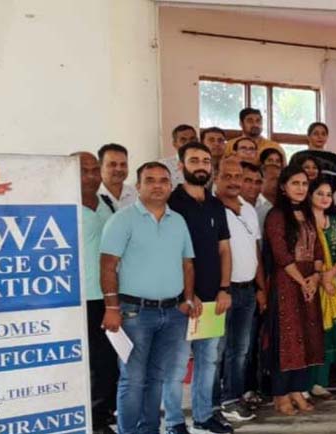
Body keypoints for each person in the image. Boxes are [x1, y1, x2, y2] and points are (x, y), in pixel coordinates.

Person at [100, 162, 196, 434]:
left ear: (170, 186)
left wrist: (188, 299)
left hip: (173, 312)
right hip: (134, 313)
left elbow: (187, 264)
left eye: (163, 180)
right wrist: (111, 307)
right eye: (150, 180)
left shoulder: (178, 221)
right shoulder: (123, 219)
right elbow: (107, 265)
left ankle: (149, 429)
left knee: (157, 377)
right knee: (133, 379)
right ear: (138, 186)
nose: (157, 185)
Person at [167, 142, 234, 434]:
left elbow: (224, 250)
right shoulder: (171, 202)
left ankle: (204, 416)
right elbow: (168, 253)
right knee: (177, 364)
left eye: (206, 161)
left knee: (208, 360)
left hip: (212, 299)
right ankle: (174, 421)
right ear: (181, 165)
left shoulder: (216, 204)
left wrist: (224, 288)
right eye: (194, 160)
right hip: (180, 300)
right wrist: (186, 294)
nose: (201, 166)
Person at [263, 165, 325, 416]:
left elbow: (318, 250)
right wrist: (303, 281)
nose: (300, 188)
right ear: (283, 187)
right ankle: (280, 394)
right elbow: (280, 254)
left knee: (306, 337)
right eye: (295, 183)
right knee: (287, 339)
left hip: (308, 283)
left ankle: (298, 389)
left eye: (304, 184)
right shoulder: (276, 215)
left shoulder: (308, 215)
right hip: (287, 284)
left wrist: (316, 277)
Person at [214, 159, 266, 423]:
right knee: (215, 352)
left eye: (238, 176)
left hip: (247, 290)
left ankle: (231, 399)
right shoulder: (210, 209)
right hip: (220, 292)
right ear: (216, 177)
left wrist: (261, 287)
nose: (234, 181)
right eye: (228, 176)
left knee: (240, 350)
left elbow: (255, 249)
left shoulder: (248, 210)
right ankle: (212, 404)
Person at [74, 152, 116, 434]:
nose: (90, 176)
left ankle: (102, 414)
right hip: (80, 299)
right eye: (83, 170)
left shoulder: (107, 203)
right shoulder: (63, 206)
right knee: (87, 363)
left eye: (94, 170)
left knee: (108, 361)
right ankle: (92, 420)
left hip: (109, 296)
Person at [307, 177, 336, 400]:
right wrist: (321, 279)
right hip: (309, 283)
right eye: (319, 193)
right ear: (310, 195)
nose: (325, 198)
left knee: (330, 332)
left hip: (332, 284)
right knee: (311, 330)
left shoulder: (334, 222)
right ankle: (305, 383)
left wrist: (330, 275)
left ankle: (320, 382)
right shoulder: (303, 221)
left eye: (328, 194)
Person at [290, 122, 336, 189]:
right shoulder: (298, 156)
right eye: (316, 134)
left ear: (327, 137)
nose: (320, 137)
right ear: (308, 137)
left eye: (323, 134)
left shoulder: (333, 157)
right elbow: (291, 178)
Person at [98, 143, 137, 210]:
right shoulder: (92, 197)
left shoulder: (137, 195)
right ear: (100, 166)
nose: (119, 169)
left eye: (123, 164)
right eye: (112, 164)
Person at [256, 161, 281, 232]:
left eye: (279, 179)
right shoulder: (255, 204)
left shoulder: (283, 203)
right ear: (261, 181)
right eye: (273, 179)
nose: (277, 183)